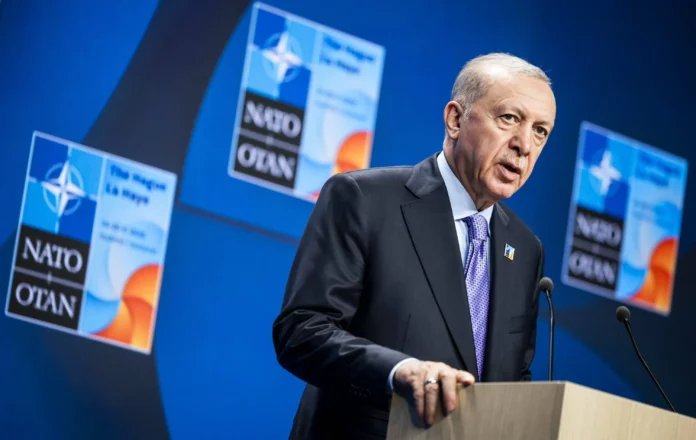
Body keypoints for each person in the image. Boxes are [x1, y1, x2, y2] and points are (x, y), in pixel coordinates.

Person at [272, 52, 557, 440]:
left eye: (540, 131)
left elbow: (513, 377)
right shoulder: (363, 199)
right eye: (509, 118)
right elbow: (302, 331)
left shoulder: (525, 250)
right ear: (455, 120)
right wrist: (397, 371)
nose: (524, 145)